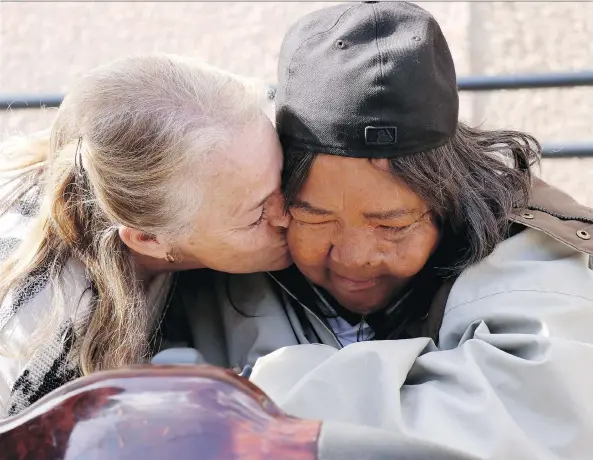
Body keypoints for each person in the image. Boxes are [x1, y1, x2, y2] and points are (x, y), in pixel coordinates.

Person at [169, 2, 593, 459]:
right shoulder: (215, 264)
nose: (354, 257)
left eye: (392, 224)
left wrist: (248, 396)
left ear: (452, 201)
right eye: (314, 218)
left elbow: (528, 420)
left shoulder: (525, 244)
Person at [0, 54, 291, 417]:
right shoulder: (46, 346)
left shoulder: (108, 169)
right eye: (257, 216)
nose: (292, 214)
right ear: (148, 238)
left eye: (285, 178)